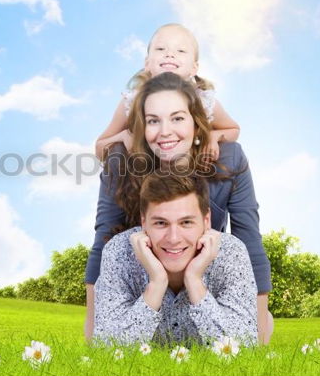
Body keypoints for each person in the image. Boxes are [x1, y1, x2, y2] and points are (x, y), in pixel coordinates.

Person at [84, 72, 273, 343]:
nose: (165, 132)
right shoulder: (121, 164)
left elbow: (250, 240)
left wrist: (259, 331)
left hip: (204, 275)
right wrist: (94, 329)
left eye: (177, 118)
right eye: (153, 121)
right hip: (140, 279)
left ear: (197, 124)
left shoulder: (228, 159)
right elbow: (103, 242)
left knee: (256, 323)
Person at [93, 171, 258, 346]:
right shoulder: (119, 252)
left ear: (206, 220)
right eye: (160, 223)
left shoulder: (231, 252)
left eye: (186, 222)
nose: (173, 238)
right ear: (144, 222)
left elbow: (245, 346)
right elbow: (106, 347)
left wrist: (194, 281)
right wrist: (156, 283)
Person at [95, 23, 240, 162]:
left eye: (181, 51)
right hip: (145, 176)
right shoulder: (132, 101)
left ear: (194, 68)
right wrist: (122, 136)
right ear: (147, 63)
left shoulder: (204, 101)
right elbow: (100, 148)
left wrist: (213, 136)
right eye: (160, 49)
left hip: (191, 174)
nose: (170, 54)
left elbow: (233, 129)